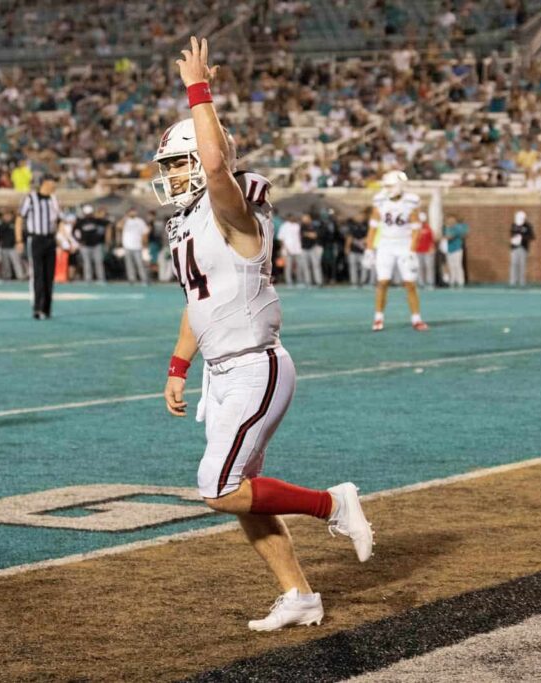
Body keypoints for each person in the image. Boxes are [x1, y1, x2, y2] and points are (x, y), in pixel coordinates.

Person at [157, 36, 373, 633]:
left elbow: (220, 165)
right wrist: (178, 366)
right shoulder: (188, 226)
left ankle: (334, 503)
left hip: (256, 366)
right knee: (241, 489)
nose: (173, 175)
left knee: (218, 488)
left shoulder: (234, 214)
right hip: (219, 372)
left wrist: (198, 92)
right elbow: (196, 304)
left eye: (179, 163)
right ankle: (299, 595)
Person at [363, 171, 428, 331]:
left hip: (404, 244)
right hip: (385, 244)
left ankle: (416, 318)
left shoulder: (411, 200)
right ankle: (378, 318)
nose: (387, 188)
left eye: (390, 185)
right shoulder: (379, 199)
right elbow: (373, 227)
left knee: (410, 283)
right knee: (382, 282)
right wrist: (369, 249)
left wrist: (412, 250)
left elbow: (416, 228)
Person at [16, 176, 60, 319]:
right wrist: (19, 240)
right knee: (37, 274)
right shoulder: (31, 198)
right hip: (36, 239)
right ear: (44, 184)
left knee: (49, 275)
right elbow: (19, 218)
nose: (54, 186)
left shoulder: (53, 200)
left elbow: (58, 219)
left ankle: (47, 308)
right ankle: (37, 307)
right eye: (52, 183)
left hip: (50, 239)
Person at [72, 205, 110, 283]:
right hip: (85, 246)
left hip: (96, 245)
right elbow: (73, 232)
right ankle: (88, 279)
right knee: (87, 263)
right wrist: (79, 240)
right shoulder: (80, 221)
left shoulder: (96, 220)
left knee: (98, 262)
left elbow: (107, 224)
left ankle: (101, 279)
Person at [119, 208, 150, 285]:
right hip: (127, 246)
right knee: (129, 264)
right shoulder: (125, 221)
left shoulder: (140, 221)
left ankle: (144, 279)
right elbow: (118, 226)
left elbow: (145, 232)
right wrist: (125, 217)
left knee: (140, 264)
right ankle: (131, 279)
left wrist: (145, 244)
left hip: (137, 246)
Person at [0, 210, 25, 280]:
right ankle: (7, 277)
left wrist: (19, 243)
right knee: (5, 264)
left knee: (17, 263)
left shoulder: (15, 224)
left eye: (8, 215)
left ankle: (20, 276)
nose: (7, 217)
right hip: (4, 247)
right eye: (6, 216)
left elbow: (21, 234)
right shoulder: (1, 225)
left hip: (14, 247)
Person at [344, 211, 370, 288]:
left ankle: (363, 282)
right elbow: (349, 237)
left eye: (361, 216)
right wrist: (347, 247)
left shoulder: (367, 225)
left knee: (364, 266)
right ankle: (354, 282)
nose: (360, 218)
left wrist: (364, 242)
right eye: (358, 216)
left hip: (363, 250)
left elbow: (370, 236)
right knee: (353, 266)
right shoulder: (352, 226)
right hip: (353, 250)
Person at [508, 210, 535, 287]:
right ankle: (512, 281)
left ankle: (522, 281)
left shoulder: (528, 226)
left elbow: (532, 236)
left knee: (522, 265)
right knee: (513, 264)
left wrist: (523, 237)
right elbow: (511, 233)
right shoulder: (514, 225)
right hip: (514, 248)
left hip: (523, 247)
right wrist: (514, 238)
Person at [277, 214, 305, 286]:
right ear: (288, 218)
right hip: (288, 249)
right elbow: (281, 238)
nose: (293, 218)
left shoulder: (297, 226)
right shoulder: (284, 226)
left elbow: (300, 237)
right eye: (292, 217)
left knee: (299, 266)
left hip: (297, 249)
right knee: (288, 267)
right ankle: (289, 281)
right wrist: (283, 248)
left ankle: (299, 281)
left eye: (294, 217)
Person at [443, 215, 468, 288]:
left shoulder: (457, 228)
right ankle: (452, 281)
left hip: (457, 249)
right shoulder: (447, 228)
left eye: (451, 220)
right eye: (448, 220)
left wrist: (444, 237)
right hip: (449, 249)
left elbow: (450, 237)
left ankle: (460, 281)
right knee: (451, 266)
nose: (450, 221)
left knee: (457, 265)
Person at [299, 213, 323, 287]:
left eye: (305, 218)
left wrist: (308, 234)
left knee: (316, 265)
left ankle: (318, 281)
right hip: (304, 248)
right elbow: (303, 234)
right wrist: (310, 234)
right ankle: (308, 281)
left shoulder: (315, 225)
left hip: (313, 247)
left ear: (309, 218)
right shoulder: (302, 226)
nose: (304, 219)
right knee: (305, 266)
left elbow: (315, 235)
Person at [413, 211, 435, 289]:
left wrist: (431, 248)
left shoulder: (428, 228)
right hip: (417, 250)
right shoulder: (414, 228)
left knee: (429, 266)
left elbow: (432, 239)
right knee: (419, 267)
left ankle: (430, 282)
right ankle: (420, 282)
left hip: (427, 251)